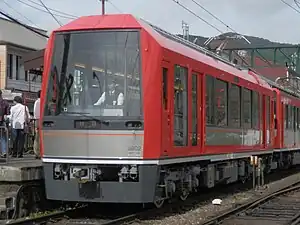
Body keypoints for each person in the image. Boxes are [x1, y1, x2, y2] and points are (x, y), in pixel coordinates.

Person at [0, 90, 9, 158]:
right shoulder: (5, 102)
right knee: (3, 138)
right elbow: (6, 115)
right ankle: (4, 152)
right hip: (2, 122)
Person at [33, 90, 41, 159]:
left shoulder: (37, 102)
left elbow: (35, 113)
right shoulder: (40, 102)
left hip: (37, 120)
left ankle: (37, 152)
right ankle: (38, 152)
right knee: (39, 137)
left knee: (37, 137)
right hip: (40, 120)